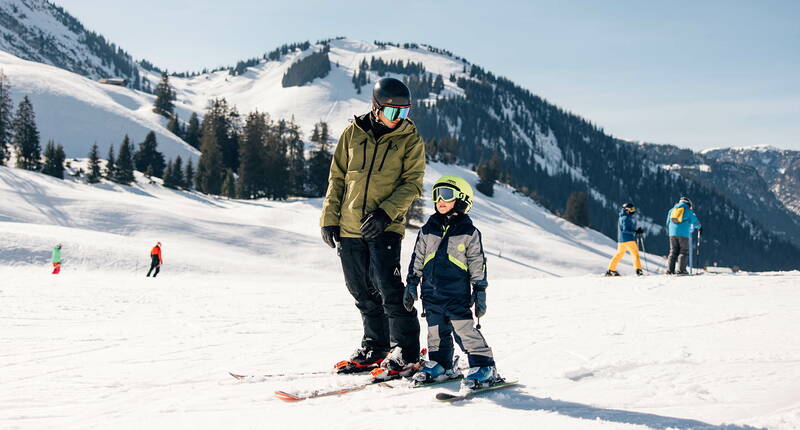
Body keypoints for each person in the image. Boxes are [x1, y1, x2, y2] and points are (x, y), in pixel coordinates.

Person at [320, 77, 425, 377]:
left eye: (405, 113)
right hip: (350, 227)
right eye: (393, 113)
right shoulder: (352, 134)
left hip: (385, 226)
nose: (399, 120)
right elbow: (337, 178)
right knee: (360, 290)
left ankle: (405, 349)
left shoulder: (410, 139)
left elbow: (412, 183)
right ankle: (375, 347)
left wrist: (386, 213)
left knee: (389, 289)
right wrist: (330, 217)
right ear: (376, 108)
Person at [402, 176, 501, 389]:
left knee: (464, 329)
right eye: (436, 195)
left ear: (463, 199)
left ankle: (485, 366)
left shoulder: (469, 232)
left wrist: (480, 289)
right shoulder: (428, 229)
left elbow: (477, 262)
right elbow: (417, 257)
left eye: (446, 194)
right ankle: (442, 364)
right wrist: (412, 283)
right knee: (435, 331)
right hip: (430, 292)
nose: (440, 200)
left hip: (456, 293)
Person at [605, 202, 644, 276]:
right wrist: (635, 231)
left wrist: (635, 231)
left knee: (619, 254)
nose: (633, 211)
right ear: (627, 210)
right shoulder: (626, 218)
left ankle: (611, 269)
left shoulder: (621, 217)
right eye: (631, 209)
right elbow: (625, 230)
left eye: (633, 209)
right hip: (628, 239)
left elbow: (624, 229)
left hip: (621, 240)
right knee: (635, 254)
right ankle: (638, 270)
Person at [666, 197, 702, 275]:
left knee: (673, 251)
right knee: (683, 251)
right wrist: (699, 228)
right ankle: (681, 270)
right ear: (688, 204)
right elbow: (695, 222)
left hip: (672, 234)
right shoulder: (688, 211)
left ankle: (669, 270)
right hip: (683, 234)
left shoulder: (671, 210)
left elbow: (667, 222)